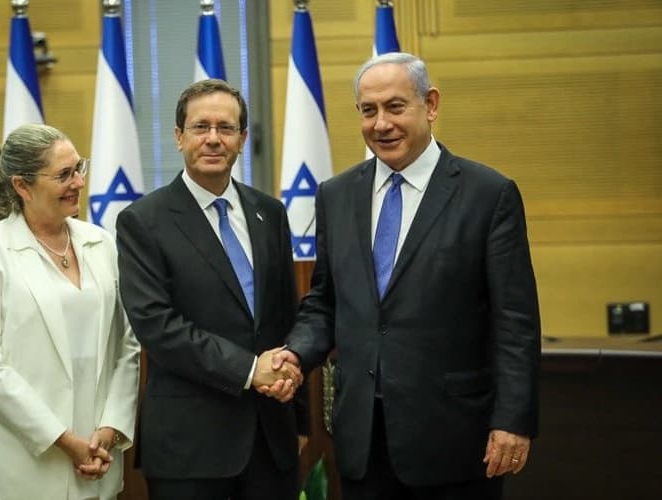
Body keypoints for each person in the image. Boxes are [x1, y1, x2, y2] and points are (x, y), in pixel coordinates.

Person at [270, 52, 541, 499]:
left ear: (430, 104)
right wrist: (296, 355)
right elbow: (325, 301)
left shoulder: (488, 195)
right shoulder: (336, 196)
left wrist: (513, 420)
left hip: (454, 441)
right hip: (362, 442)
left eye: (395, 107)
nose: (381, 124)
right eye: (368, 110)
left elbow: (516, 322)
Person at [116, 79, 309, 500]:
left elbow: (286, 316)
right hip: (191, 448)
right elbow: (157, 326)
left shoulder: (270, 213)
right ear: (178, 136)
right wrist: (249, 370)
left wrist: (299, 418)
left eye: (226, 128)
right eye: (201, 127)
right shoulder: (143, 221)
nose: (213, 139)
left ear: (242, 139)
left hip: (271, 440)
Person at [0, 124, 140, 500]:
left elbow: (126, 345)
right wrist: (64, 440)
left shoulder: (101, 242)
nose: (79, 183)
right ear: (22, 186)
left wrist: (110, 429)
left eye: (79, 168)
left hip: (98, 455)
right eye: (64, 175)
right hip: (16, 465)